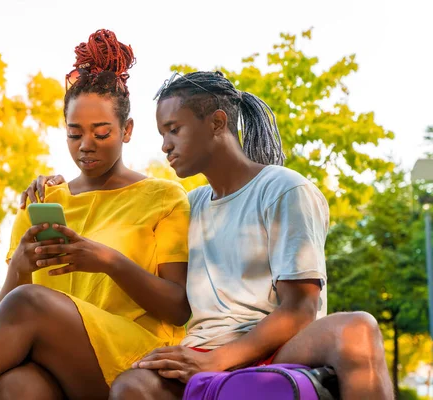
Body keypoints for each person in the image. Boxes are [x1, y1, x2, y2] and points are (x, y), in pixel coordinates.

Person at [34, 71, 394, 400]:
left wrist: (220, 360)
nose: (164, 146)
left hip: (281, 345)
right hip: (203, 347)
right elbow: (128, 222)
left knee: (357, 328)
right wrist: (63, 189)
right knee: (131, 385)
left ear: (217, 123)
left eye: (174, 129)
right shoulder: (189, 205)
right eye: (162, 134)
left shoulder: (283, 190)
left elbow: (300, 308)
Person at [0, 29, 191, 400]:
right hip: (61, 363)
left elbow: (179, 307)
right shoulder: (43, 200)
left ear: (126, 130)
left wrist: (107, 260)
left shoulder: (164, 196)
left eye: (101, 133)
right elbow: (6, 316)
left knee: (30, 302)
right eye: (74, 133)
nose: (85, 146)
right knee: (15, 387)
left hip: (133, 360)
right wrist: (19, 264)